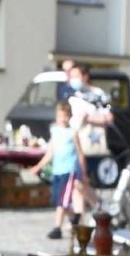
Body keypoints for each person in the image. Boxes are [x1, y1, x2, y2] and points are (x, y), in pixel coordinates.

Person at [27, 101, 87, 241]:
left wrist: (83, 172)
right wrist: (38, 166)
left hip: (69, 170)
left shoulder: (72, 133)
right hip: (57, 170)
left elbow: (80, 153)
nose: (63, 119)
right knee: (58, 200)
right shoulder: (55, 131)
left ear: (70, 116)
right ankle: (75, 217)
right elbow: (50, 152)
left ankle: (57, 228)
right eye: (60, 116)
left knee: (62, 201)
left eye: (65, 116)